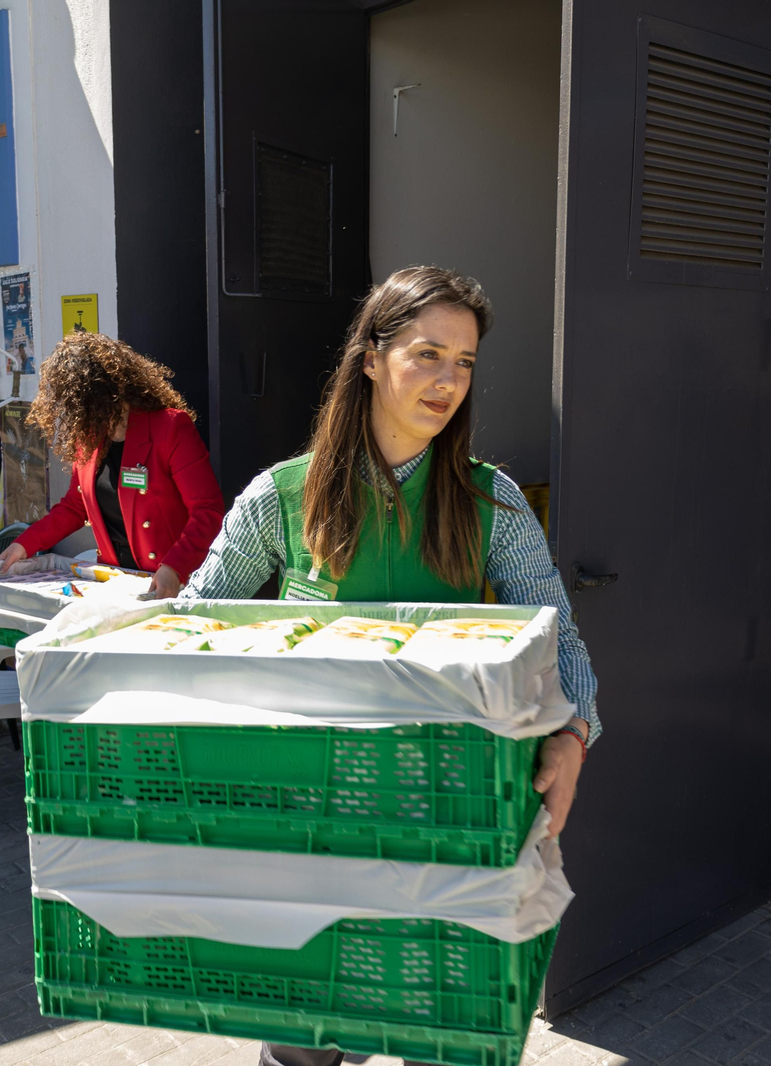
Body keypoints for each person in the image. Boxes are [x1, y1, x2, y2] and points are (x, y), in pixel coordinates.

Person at [179, 265, 600, 1066]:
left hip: (453, 819)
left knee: (446, 1038)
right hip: (312, 828)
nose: (449, 381)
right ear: (371, 358)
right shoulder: (280, 497)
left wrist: (574, 734)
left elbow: (561, 641)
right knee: (304, 1045)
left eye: (464, 362)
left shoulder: (492, 502)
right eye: (427, 354)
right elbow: (197, 626)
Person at [0, 333, 225, 596]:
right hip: (117, 580)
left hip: (173, 582)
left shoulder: (171, 426)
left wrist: (175, 567)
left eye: (85, 404)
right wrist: (25, 544)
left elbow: (208, 511)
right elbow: (75, 507)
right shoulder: (89, 436)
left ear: (109, 393)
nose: (80, 416)